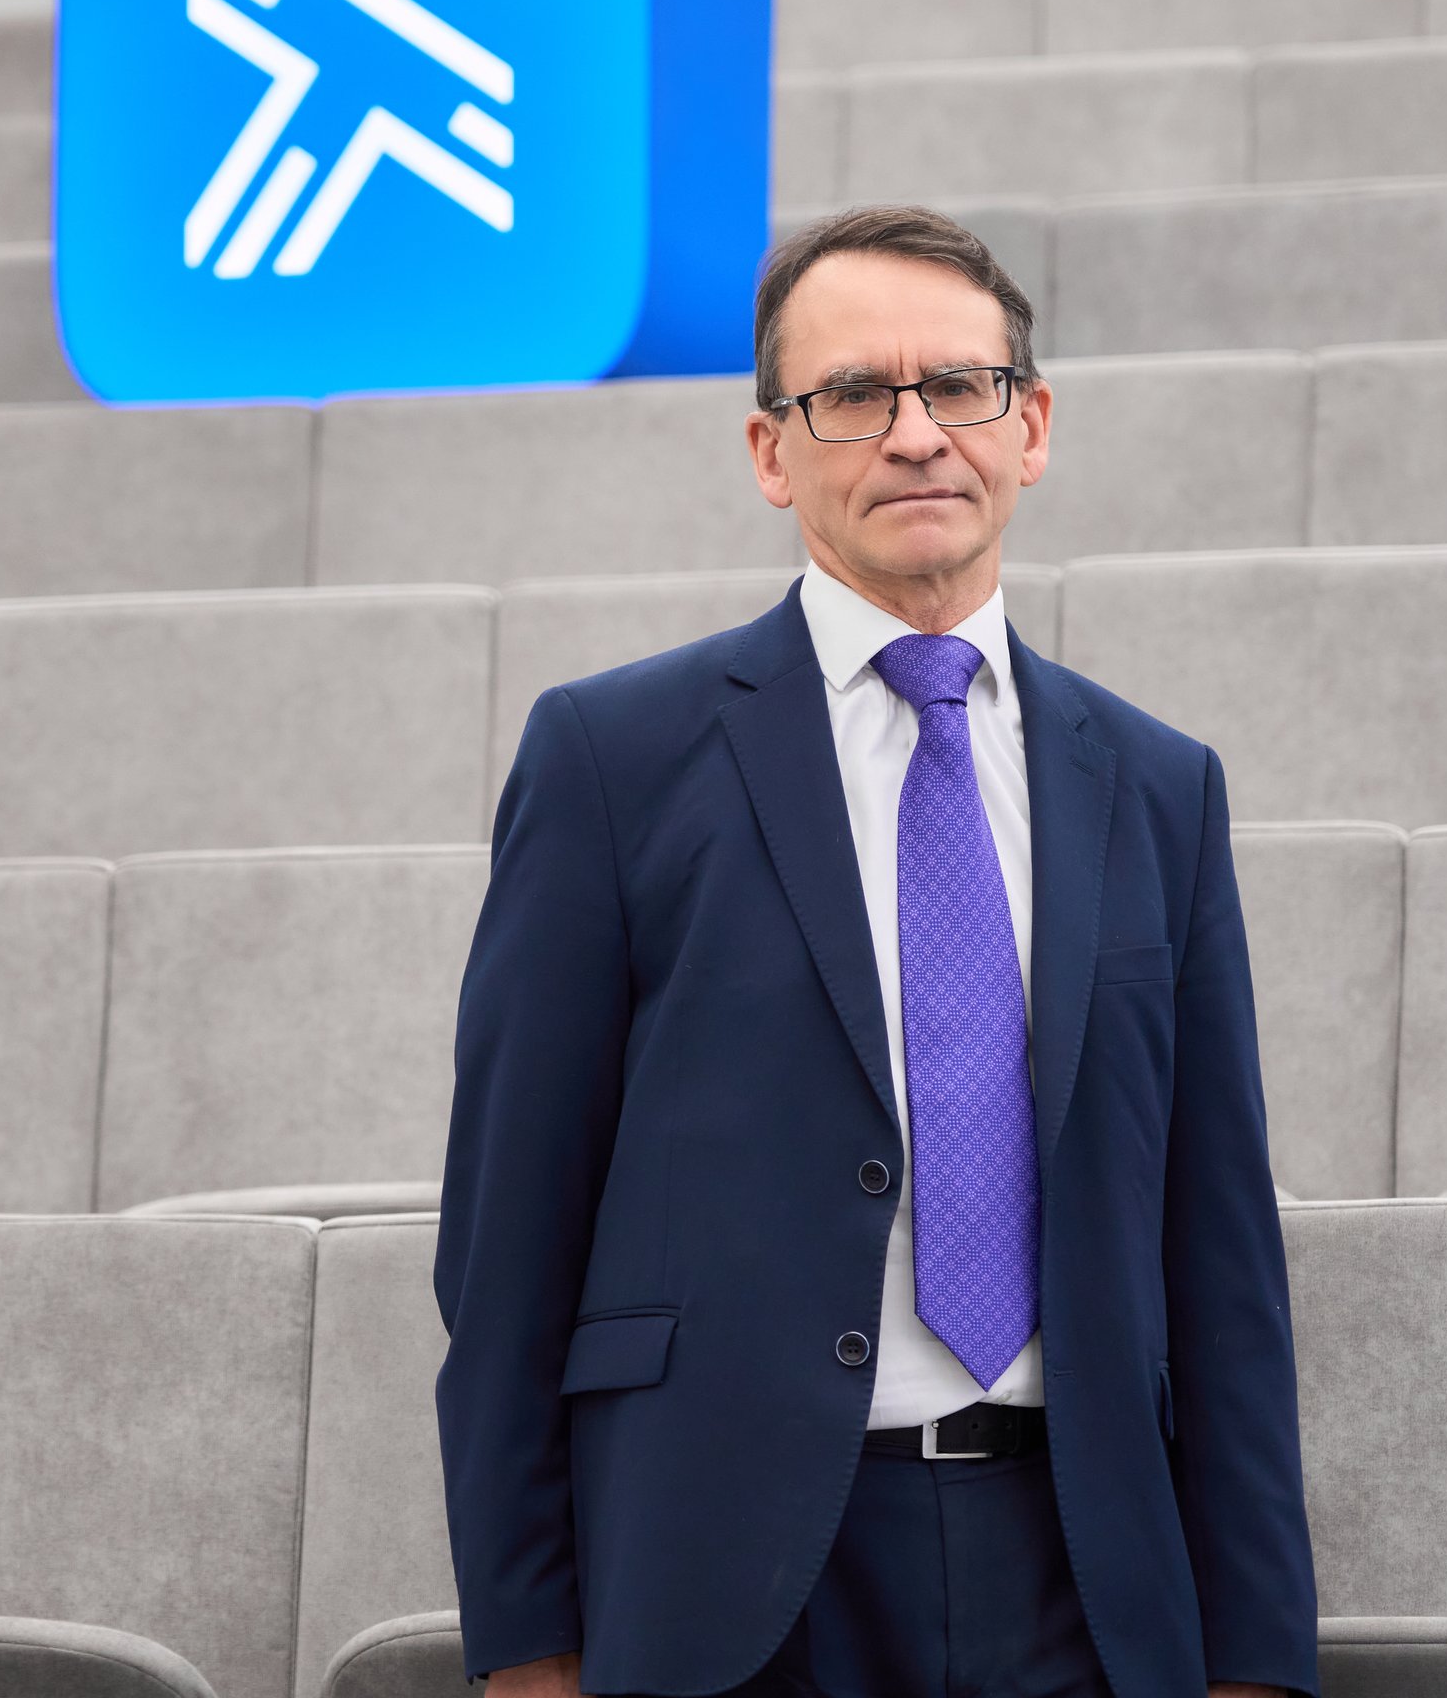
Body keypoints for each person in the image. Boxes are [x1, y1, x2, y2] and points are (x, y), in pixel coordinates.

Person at [433, 205, 1317, 1698]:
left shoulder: (1161, 789)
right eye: (852, 395)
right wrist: (527, 1645)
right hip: (730, 1587)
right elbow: (506, 1240)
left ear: (1031, 427)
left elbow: (1221, 1258)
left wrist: (1253, 1654)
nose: (916, 436)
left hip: (1086, 1581)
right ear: (772, 451)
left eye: (960, 386)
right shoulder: (611, 760)